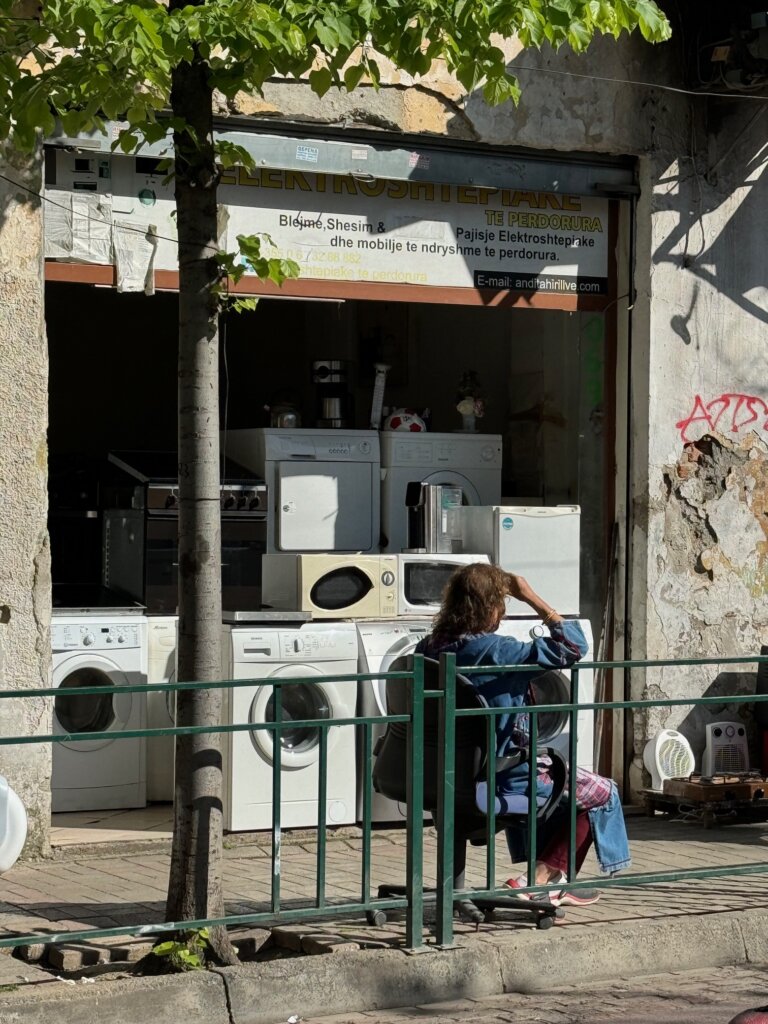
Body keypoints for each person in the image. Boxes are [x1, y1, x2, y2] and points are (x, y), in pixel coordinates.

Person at [415, 562, 630, 908]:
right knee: (602, 793)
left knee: (564, 785)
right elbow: (574, 647)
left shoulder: (427, 648)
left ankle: (555, 881)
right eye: (501, 603)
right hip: (499, 778)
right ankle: (537, 881)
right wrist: (532, 598)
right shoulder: (499, 652)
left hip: (436, 774)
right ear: (491, 608)